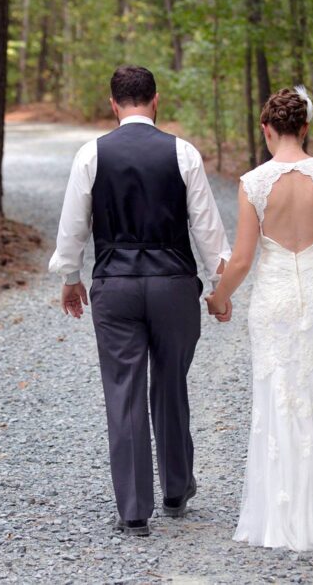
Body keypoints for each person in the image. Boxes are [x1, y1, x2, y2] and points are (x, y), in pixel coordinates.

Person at [49, 65, 231, 537]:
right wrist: (220, 286)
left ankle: (133, 510)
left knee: (124, 390)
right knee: (170, 383)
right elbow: (207, 227)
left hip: (116, 285)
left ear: (113, 104)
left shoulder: (92, 154)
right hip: (173, 285)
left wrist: (70, 277)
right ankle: (176, 489)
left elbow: (73, 225)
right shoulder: (183, 153)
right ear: (155, 100)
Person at [206, 86, 313, 551]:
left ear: (266, 130)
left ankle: (282, 514)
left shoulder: (253, 183)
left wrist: (219, 298)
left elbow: (241, 260)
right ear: (305, 128)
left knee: (278, 397)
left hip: (274, 300)